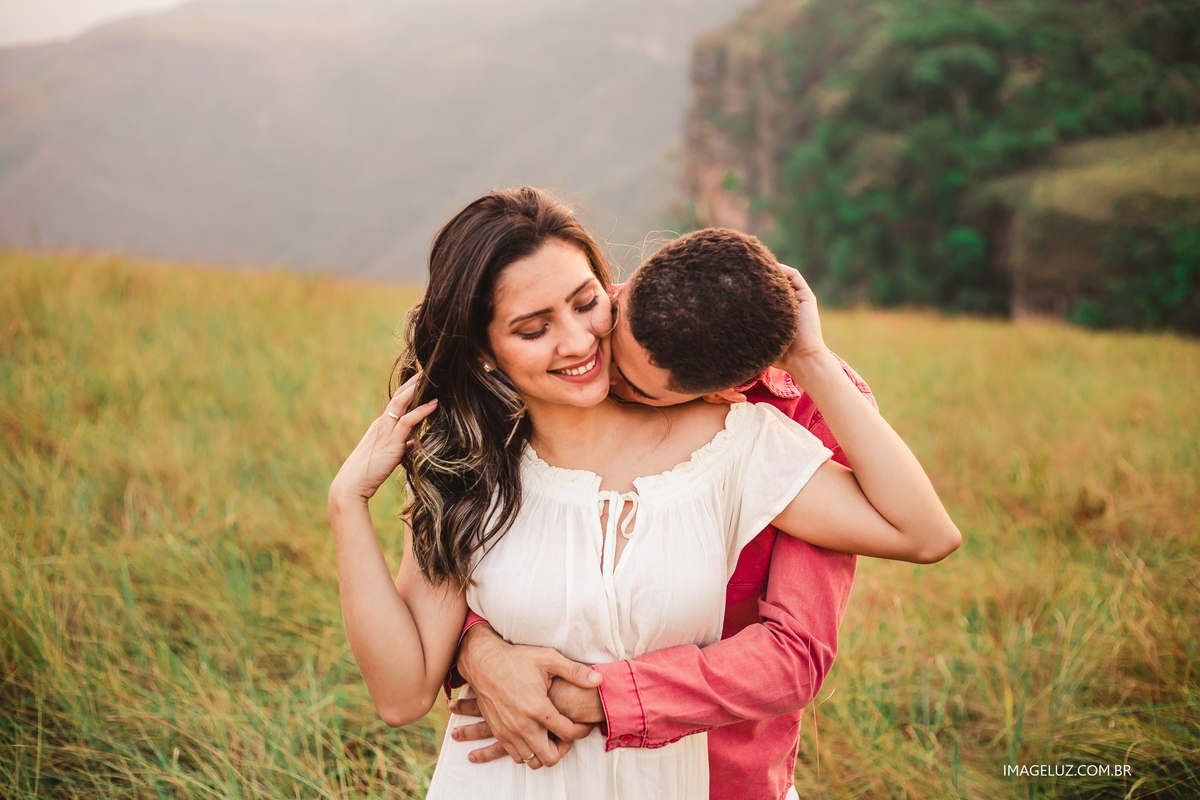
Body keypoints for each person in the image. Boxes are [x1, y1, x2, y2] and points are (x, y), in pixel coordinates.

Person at [328, 187, 961, 800]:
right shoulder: (469, 469)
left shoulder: (738, 439)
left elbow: (914, 542)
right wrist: (348, 503)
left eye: (584, 304)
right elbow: (401, 696)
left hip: (703, 777)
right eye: (533, 329)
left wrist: (588, 696)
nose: (580, 343)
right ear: (484, 351)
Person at [443, 232, 876, 800]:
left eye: (637, 390)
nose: (600, 378)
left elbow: (793, 653)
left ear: (719, 392)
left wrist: (593, 696)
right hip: (534, 765)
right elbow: (489, 542)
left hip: (721, 772)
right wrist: (479, 650)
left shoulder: (805, 413)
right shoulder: (582, 334)